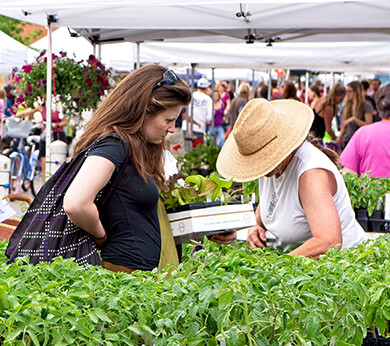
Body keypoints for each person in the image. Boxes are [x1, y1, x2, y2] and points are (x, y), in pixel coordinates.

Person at [63, 64, 192, 273]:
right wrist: (100, 236)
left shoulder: (133, 146)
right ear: (144, 111)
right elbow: (76, 204)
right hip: (122, 276)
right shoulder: (115, 144)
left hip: (135, 276)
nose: (171, 128)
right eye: (169, 120)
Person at [214, 98, 365, 258]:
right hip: (301, 267)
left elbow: (329, 242)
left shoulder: (311, 174)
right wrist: (252, 229)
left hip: (343, 267)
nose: (257, 167)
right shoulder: (270, 169)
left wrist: (279, 268)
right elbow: (271, 206)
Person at [337, 81, 373, 148]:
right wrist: (340, 137)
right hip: (348, 141)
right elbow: (344, 126)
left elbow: (369, 125)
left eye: (350, 91)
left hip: (361, 142)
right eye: (347, 91)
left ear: (357, 92)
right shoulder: (346, 107)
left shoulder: (366, 106)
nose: (347, 94)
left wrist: (355, 119)